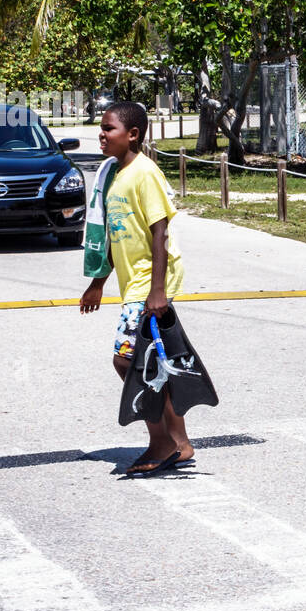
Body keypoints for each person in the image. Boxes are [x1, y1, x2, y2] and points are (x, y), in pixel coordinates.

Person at [78, 101, 192, 476]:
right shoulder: (114, 175)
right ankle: (180, 441)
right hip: (136, 283)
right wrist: (98, 283)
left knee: (126, 360)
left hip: (150, 283)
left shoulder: (145, 174)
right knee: (153, 361)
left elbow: (160, 232)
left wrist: (157, 292)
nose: (101, 134)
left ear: (133, 135)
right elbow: (117, 237)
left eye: (108, 128)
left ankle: (161, 443)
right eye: (101, 127)